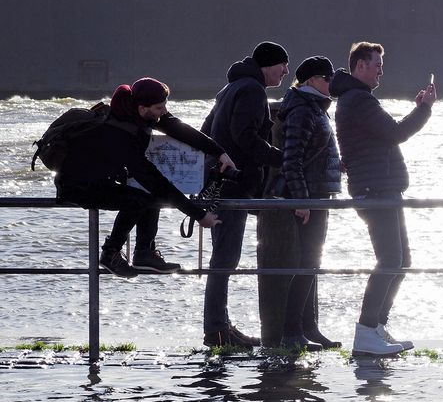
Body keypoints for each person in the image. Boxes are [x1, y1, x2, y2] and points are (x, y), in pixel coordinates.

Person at [56, 78, 221, 278]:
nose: (164, 111)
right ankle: (110, 254)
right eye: (160, 107)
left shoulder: (137, 113)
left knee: (151, 198)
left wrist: (218, 152)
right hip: (77, 185)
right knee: (140, 200)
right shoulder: (121, 133)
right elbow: (154, 181)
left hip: (100, 178)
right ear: (143, 108)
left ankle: (144, 254)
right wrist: (199, 215)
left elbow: (175, 126)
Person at [331, 41, 436, 356]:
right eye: (376, 65)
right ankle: (365, 332)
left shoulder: (358, 100)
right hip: (374, 190)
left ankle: (376, 327)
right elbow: (395, 133)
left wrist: (419, 109)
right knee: (390, 260)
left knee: (401, 261)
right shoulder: (357, 101)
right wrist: (425, 108)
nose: (381, 71)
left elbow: (388, 133)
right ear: (360, 65)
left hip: (382, 188)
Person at [201, 41, 289, 347]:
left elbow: (207, 129)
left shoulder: (231, 88)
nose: (286, 71)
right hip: (233, 185)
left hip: (218, 182)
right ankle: (216, 330)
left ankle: (220, 326)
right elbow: (245, 136)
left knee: (222, 258)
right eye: (282, 65)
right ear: (268, 65)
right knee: (225, 259)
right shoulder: (252, 89)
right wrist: (280, 157)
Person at [268, 56, 343, 351]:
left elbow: (315, 151)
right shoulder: (302, 108)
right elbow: (292, 158)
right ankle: (291, 332)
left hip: (317, 194)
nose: (331, 83)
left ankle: (308, 327)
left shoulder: (314, 106)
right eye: (327, 78)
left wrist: (336, 164)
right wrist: (301, 199)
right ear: (312, 81)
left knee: (313, 263)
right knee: (307, 263)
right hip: (306, 197)